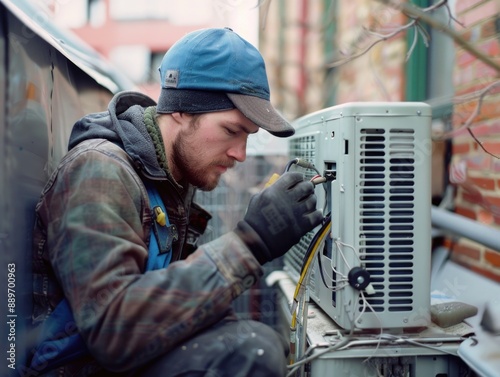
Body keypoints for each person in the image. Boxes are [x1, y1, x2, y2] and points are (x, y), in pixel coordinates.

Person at [29, 27, 323, 377]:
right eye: (231, 130)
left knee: (253, 340)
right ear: (181, 110)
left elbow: (168, 309)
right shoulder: (100, 171)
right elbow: (113, 330)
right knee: (247, 354)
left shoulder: (168, 179)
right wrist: (251, 243)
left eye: (248, 136)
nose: (240, 154)